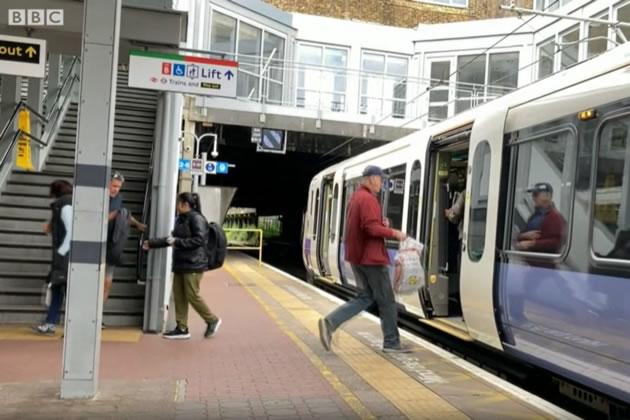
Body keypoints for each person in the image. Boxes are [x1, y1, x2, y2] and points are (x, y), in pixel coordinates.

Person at [318, 166, 412, 353]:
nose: (382, 183)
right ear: (372, 179)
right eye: (381, 179)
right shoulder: (368, 199)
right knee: (387, 300)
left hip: (357, 257)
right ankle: (392, 342)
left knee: (366, 297)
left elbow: (367, 225)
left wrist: (380, 223)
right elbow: (371, 228)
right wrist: (394, 232)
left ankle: (330, 323)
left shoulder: (356, 198)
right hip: (372, 259)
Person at [143, 192, 221, 340]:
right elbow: (171, 239)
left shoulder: (196, 219)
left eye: (178, 203)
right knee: (179, 296)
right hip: (181, 264)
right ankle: (182, 328)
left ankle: (212, 320)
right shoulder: (181, 219)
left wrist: (178, 242)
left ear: (185, 204)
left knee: (192, 295)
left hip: (194, 264)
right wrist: (152, 243)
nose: (176, 206)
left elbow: (199, 240)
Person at [104, 171, 147, 327]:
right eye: (114, 186)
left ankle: (98, 314)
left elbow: (123, 214)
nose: (116, 190)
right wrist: (113, 215)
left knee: (107, 283)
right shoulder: (99, 198)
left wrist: (137, 224)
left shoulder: (118, 199)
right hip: (96, 245)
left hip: (112, 246)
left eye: (118, 187)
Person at [33, 180, 73, 335]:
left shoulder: (64, 205)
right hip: (66, 255)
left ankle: (52, 324)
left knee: (61, 289)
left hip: (65, 256)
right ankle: (50, 322)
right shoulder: (67, 203)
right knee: (57, 288)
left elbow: (71, 231)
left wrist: (61, 252)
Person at [515, 182, 566, 253]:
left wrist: (531, 244)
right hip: (527, 258)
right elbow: (520, 235)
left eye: (536, 195)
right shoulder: (534, 216)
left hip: (541, 261)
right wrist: (523, 235)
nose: (533, 198)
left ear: (547, 196)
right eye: (533, 195)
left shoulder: (555, 216)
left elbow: (556, 242)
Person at [445, 173, 465, 240]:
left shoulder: (464, 193)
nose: (460, 182)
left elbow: (455, 213)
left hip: (463, 234)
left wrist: (448, 213)